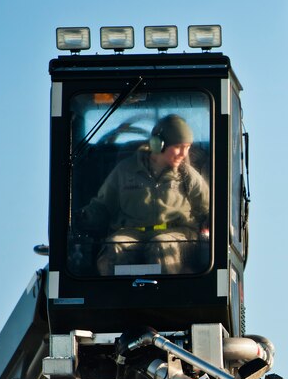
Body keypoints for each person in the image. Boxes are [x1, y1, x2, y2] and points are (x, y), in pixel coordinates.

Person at [80, 114, 210, 275]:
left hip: (177, 234)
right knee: (116, 245)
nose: (183, 153)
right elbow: (103, 205)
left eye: (187, 147)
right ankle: (115, 298)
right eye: (178, 147)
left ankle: (168, 296)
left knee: (161, 246)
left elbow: (208, 207)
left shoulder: (187, 176)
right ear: (158, 145)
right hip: (132, 232)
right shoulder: (125, 171)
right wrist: (85, 217)